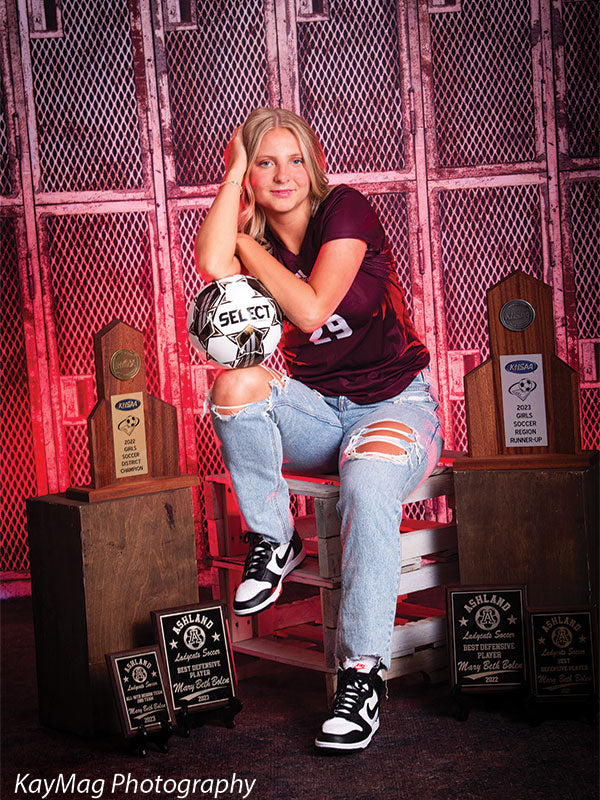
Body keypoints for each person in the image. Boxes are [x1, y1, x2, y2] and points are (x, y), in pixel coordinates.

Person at [194, 107, 443, 752]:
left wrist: (248, 243)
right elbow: (208, 262)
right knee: (235, 382)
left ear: (315, 166)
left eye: (294, 159)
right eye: (265, 161)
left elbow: (308, 308)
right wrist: (231, 179)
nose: (282, 175)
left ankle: (361, 676)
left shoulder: (347, 212)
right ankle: (276, 541)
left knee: (366, 484)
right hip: (317, 408)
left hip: (394, 403)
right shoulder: (252, 212)